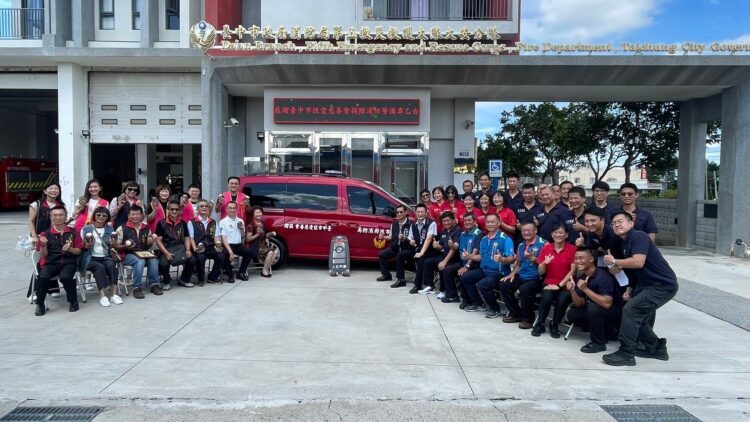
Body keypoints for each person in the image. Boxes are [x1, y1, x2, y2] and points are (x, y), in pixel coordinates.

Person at [602, 211, 678, 366]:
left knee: (630, 311)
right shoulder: (625, 243)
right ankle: (656, 348)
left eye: (620, 221)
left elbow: (638, 262)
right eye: (614, 223)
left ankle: (626, 353)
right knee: (638, 315)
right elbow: (635, 271)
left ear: (631, 223)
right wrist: (630, 288)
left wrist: (614, 261)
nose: (617, 225)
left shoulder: (639, 236)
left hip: (662, 285)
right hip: (646, 284)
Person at [567, 248, 623, 354]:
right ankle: (605, 332)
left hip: (616, 311)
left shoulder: (602, 276)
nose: (578, 261)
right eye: (576, 258)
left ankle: (598, 343)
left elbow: (607, 303)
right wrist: (572, 291)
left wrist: (585, 289)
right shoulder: (583, 276)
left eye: (581, 258)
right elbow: (580, 303)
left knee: (593, 308)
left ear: (591, 259)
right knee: (573, 314)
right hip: (599, 308)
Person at [461, 213, 515, 314]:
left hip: (499, 273)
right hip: (485, 270)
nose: (490, 224)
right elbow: (481, 256)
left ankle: (495, 309)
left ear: (499, 223)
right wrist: (470, 256)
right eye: (488, 222)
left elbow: (511, 258)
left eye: (492, 222)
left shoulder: (505, 239)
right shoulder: (484, 239)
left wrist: (502, 259)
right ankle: (478, 303)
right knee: (465, 277)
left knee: (483, 284)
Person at [34, 206, 82, 316]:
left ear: (66, 216)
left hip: (68, 263)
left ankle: (73, 301)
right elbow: (43, 255)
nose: (58, 217)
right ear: (50, 217)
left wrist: (70, 249)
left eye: (61, 214)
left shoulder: (74, 232)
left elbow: (79, 251)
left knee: (66, 277)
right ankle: (40, 304)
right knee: (43, 277)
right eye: (55, 215)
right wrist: (43, 244)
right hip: (50, 263)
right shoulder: (44, 234)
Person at [533, 224, 576, 337]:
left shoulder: (572, 249)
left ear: (566, 235)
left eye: (561, 232)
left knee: (563, 299)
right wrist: (544, 263)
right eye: (555, 232)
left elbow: (573, 271)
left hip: (566, 283)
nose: (558, 235)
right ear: (552, 234)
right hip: (549, 282)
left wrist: (559, 285)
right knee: (546, 297)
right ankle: (540, 324)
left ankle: (554, 325)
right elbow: (540, 272)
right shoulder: (546, 248)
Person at [498, 222, 544, 327]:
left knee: (525, 289)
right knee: (504, 284)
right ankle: (515, 313)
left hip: (537, 277)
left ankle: (528, 318)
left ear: (535, 230)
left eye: (529, 230)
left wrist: (533, 259)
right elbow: (518, 263)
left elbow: (545, 265)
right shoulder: (521, 245)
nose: (526, 232)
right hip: (523, 275)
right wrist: (512, 274)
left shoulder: (543, 244)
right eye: (524, 230)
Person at [115, 205, 162, 299]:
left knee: (153, 259)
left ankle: (154, 285)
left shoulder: (146, 228)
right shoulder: (122, 228)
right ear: (128, 215)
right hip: (127, 254)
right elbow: (115, 246)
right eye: (133, 214)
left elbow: (148, 245)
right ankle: (137, 287)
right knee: (139, 261)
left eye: (137, 214)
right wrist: (125, 246)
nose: (135, 216)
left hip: (143, 253)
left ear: (141, 216)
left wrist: (150, 242)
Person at [27, 182, 65, 298]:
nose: (54, 190)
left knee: (52, 260)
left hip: (55, 238)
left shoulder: (60, 204)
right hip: (40, 238)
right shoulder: (37, 204)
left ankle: (53, 289)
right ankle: (33, 292)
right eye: (51, 188)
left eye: (56, 189)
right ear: (45, 191)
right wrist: (34, 236)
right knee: (40, 264)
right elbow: (30, 221)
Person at [79, 207, 121, 307]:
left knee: (112, 265)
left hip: (105, 257)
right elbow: (80, 246)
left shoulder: (110, 229)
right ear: (94, 215)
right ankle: (102, 295)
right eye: (98, 215)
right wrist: (86, 246)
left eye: (104, 215)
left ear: (107, 218)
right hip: (90, 258)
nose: (101, 217)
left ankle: (114, 294)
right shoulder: (85, 229)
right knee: (99, 267)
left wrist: (113, 244)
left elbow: (112, 245)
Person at [416, 211, 461, 296]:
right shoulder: (444, 231)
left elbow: (453, 249)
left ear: (453, 220)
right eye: (444, 221)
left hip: (453, 258)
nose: (446, 223)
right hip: (443, 255)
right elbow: (441, 246)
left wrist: (444, 261)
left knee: (442, 266)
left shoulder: (457, 230)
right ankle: (430, 286)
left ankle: (443, 291)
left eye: (448, 220)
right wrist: (436, 246)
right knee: (428, 262)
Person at [441, 212, 482, 304]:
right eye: (465, 220)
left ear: (475, 221)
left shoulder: (478, 233)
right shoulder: (463, 234)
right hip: (463, 262)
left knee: (462, 274)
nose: (467, 222)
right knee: (448, 270)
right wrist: (452, 246)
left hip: (473, 264)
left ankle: (468, 300)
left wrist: (467, 266)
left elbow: (475, 252)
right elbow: (458, 248)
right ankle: (452, 296)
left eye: (469, 220)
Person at [154, 200, 196, 289]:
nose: (174, 211)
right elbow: (158, 241)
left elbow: (186, 238)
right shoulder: (161, 223)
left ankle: (184, 280)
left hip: (180, 249)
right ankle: (167, 281)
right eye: (172, 209)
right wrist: (166, 253)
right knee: (163, 263)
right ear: (168, 209)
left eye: (176, 209)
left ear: (180, 210)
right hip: (167, 249)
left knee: (192, 259)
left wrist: (188, 249)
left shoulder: (183, 223)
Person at [188, 199, 226, 285]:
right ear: (198, 209)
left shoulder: (213, 222)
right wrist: (195, 249)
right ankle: (201, 278)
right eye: (202, 206)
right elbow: (191, 238)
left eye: (206, 206)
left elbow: (216, 237)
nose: (204, 207)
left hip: (210, 246)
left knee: (222, 255)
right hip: (199, 247)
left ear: (209, 209)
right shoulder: (192, 222)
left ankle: (213, 277)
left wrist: (219, 246)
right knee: (200, 258)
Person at [376, 204, 414, 285]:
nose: (399, 214)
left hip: (406, 248)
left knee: (399, 256)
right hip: (396, 247)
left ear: (405, 212)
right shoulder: (394, 224)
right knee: (382, 254)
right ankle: (386, 275)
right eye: (397, 212)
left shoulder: (411, 224)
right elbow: (390, 237)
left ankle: (401, 280)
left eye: (401, 212)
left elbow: (414, 240)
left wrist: (405, 238)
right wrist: (383, 237)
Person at [217, 201, 253, 282]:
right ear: (226, 209)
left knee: (249, 252)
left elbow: (243, 236)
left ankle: (241, 272)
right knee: (225, 254)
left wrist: (241, 229)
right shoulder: (223, 222)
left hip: (238, 245)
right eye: (230, 208)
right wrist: (230, 252)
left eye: (234, 208)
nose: (232, 210)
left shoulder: (240, 220)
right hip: (228, 245)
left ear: (237, 209)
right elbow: (223, 238)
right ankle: (230, 275)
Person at [248, 206, 280, 278]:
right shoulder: (250, 225)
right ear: (253, 214)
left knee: (276, 252)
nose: (258, 214)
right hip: (254, 246)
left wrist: (271, 234)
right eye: (256, 213)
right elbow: (248, 239)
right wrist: (257, 234)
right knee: (270, 252)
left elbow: (265, 236)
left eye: (260, 212)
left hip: (262, 245)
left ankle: (265, 268)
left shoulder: (262, 223)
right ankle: (264, 271)